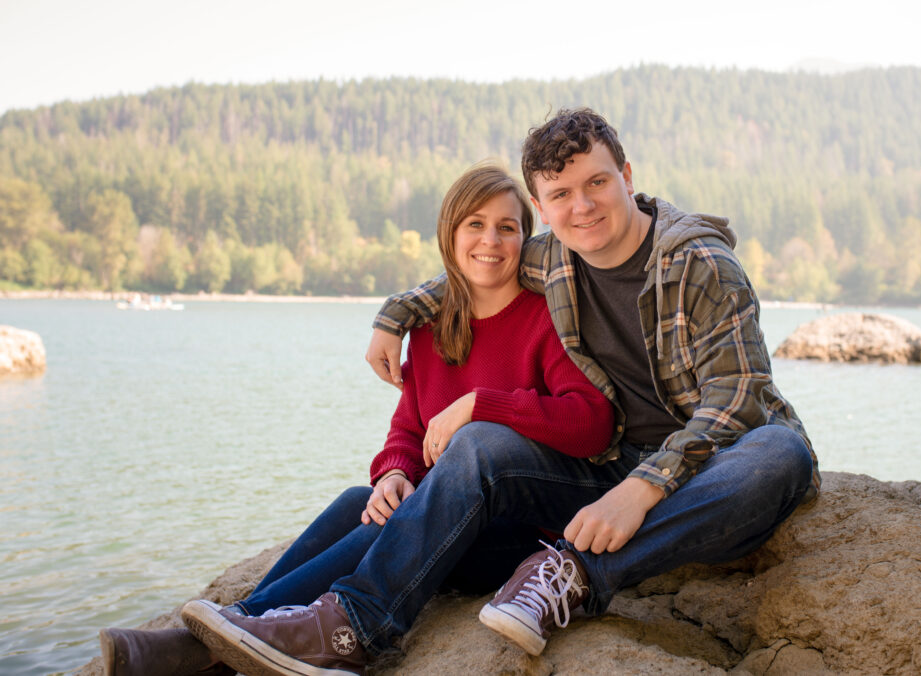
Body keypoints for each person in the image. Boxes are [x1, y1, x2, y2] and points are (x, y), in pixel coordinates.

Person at [179, 108, 819, 676]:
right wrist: (396, 314)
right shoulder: (554, 255)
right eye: (561, 194)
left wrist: (643, 487)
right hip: (601, 470)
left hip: (704, 475)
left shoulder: (699, 264)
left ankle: (573, 575)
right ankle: (349, 625)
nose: (584, 206)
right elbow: (473, 264)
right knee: (474, 447)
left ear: (627, 173)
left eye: (597, 182)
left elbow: (738, 400)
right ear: (543, 207)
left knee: (778, 455)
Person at [98, 164, 613, 676]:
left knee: (422, 494)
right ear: (450, 234)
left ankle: (306, 633)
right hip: (440, 522)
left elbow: (592, 422)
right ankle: (233, 630)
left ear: (526, 239)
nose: (491, 240)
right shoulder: (431, 328)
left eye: (508, 227)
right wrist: (392, 472)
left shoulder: (545, 317)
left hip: (519, 535)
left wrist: (484, 403)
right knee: (359, 502)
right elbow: (408, 430)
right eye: (474, 224)